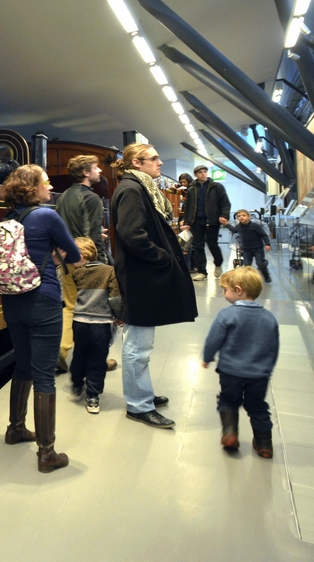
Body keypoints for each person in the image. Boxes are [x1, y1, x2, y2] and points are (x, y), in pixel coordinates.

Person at [0, 164, 83, 473]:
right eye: (46, 183)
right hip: (43, 300)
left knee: (22, 366)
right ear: (33, 189)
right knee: (44, 375)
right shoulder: (46, 215)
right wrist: (59, 250)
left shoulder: (8, 219)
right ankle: (46, 453)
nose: (50, 188)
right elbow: (74, 255)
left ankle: (15, 429)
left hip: (12, 302)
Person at [111, 144, 198, 429]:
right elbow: (132, 235)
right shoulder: (132, 190)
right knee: (137, 344)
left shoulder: (139, 187)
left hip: (142, 275)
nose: (160, 163)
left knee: (142, 343)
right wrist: (162, 257)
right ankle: (138, 405)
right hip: (139, 277)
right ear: (137, 163)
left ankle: (142, 394)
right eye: (154, 159)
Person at [202, 266, 279, 458]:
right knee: (258, 406)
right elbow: (273, 347)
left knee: (229, 401)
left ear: (238, 290)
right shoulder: (269, 318)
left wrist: (207, 357)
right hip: (259, 375)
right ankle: (264, 443)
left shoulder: (227, 315)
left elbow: (214, 339)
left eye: (225, 290)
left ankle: (230, 432)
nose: (223, 293)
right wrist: (267, 368)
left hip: (231, 372)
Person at [55, 155, 114, 375]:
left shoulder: (63, 197)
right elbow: (90, 236)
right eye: (96, 168)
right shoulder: (92, 198)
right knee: (96, 315)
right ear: (86, 173)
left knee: (70, 307)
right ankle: (95, 359)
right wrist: (102, 262)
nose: (100, 171)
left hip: (67, 260)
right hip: (87, 261)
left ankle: (60, 353)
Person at [67, 237, 121, 415]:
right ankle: (92, 396)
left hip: (80, 322)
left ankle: (76, 383)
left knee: (79, 354)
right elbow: (115, 297)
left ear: (81, 256)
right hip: (102, 324)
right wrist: (119, 316)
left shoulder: (77, 274)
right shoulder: (109, 271)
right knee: (97, 360)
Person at [181, 165, 230, 281]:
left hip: (212, 221)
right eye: (200, 172)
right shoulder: (192, 189)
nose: (203, 174)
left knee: (212, 245)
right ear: (196, 175)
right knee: (198, 247)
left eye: (205, 172)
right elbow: (188, 207)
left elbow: (225, 203)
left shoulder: (217, 187)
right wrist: (187, 222)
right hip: (196, 221)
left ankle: (218, 264)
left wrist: (224, 215)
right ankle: (202, 272)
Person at [226, 209, 271, 283]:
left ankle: (266, 276)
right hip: (246, 249)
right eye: (239, 216)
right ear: (237, 218)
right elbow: (234, 230)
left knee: (260, 263)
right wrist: (226, 224)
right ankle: (248, 279)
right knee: (247, 265)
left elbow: (263, 235)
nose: (241, 217)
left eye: (244, 215)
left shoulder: (254, 225)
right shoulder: (239, 226)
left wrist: (267, 244)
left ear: (249, 217)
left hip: (258, 248)